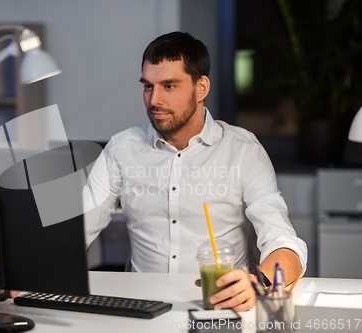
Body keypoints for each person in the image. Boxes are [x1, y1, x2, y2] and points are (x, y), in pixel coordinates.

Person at [83, 32, 307, 311]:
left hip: (220, 308)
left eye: (169, 86)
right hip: (140, 309)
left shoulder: (242, 150)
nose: (154, 100)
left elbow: (283, 242)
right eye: (148, 86)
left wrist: (259, 281)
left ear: (201, 88)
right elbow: (77, 228)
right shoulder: (121, 148)